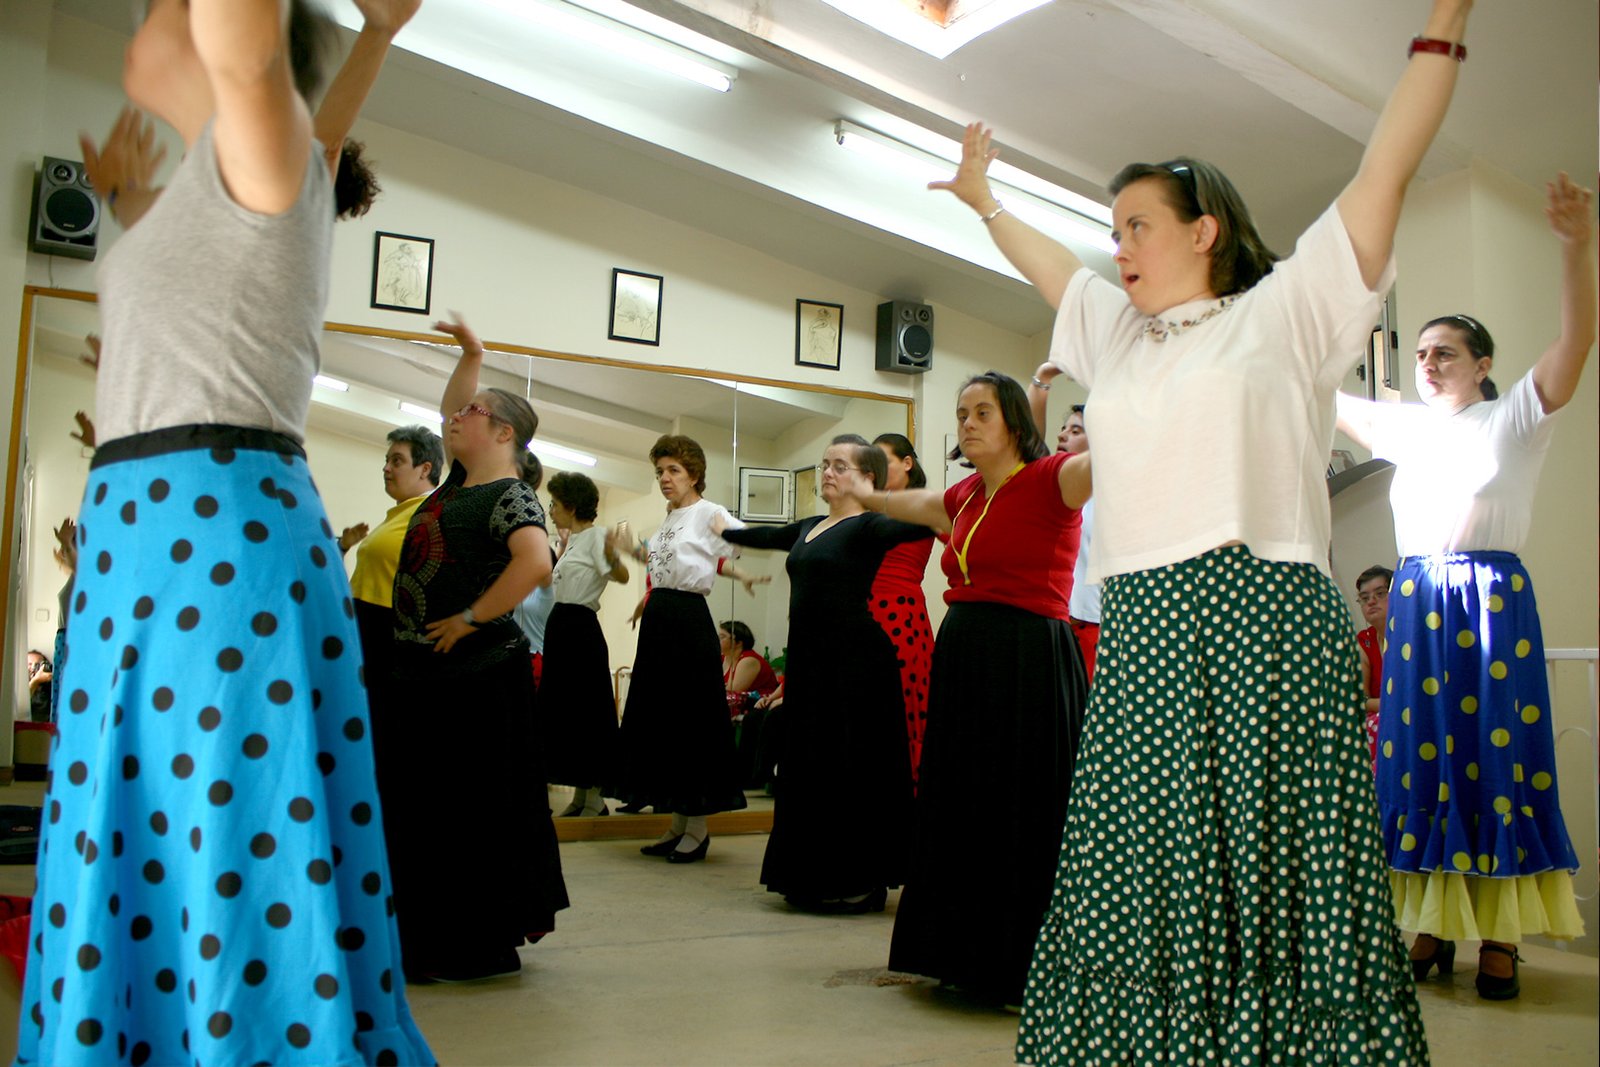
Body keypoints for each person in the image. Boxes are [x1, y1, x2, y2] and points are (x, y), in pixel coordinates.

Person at [937, 3, 1477, 1057]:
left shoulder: (1286, 312)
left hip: (1262, 613)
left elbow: (1386, 169)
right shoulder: (1116, 335)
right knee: (1140, 861)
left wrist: (1444, 22)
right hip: (1145, 623)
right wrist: (984, 199)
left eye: (1138, 223)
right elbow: (1050, 268)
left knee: (1279, 861)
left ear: (1204, 230)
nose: (1118, 246)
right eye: (1113, 230)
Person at [18, 3, 433, 1063]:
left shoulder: (264, 142)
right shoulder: (215, 181)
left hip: (209, 541)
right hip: (145, 540)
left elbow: (273, 84)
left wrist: (368, 38)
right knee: (148, 818)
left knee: (227, 827)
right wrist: (378, 36)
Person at [1336, 172, 1593, 1001]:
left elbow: (1576, 340)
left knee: (1494, 756)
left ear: (1483, 365)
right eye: (1419, 353)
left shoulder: (1512, 417)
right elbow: (1316, 388)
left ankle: (1500, 936)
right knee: (1420, 758)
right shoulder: (1404, 428)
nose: (1427, 362)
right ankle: (1430, 921)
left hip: (1489, 602)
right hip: (1417, 603)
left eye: (1444, 351)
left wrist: (1576, 247)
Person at [851, 374, 1090, 1002]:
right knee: (962, 805)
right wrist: (869, 495)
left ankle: (1018, 966)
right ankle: (956, 954)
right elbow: (916, 505)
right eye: (962, 414)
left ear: (1015, 421)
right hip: (966, 658)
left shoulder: (1053, 478)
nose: (968, 423)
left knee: (1020, 807)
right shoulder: (965, 495)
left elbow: (1111, 462)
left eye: (983, 412)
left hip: (1028, 659)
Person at [384, 315, 569, 981]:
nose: (456, 419)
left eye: (473, 413)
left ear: (504, 432)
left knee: (467, 813)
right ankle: (432, 935)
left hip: (479, 677)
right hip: (432, 673)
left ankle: (470, 944)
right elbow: (449, 407)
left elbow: (536, 562)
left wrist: (470, 616)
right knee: (431, 811)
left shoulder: (510, 495)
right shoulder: (456, 486)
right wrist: (472, 354)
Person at [720, 436, 934, 911]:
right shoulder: (809, 526)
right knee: (810, 765)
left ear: (868, 478)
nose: (828, 473)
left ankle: (862, 880)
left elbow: (930, 518)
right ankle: (810, 875)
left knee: (851, 766)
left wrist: (882, 498)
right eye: (825, 464)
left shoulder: (873, 525)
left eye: (840, 466)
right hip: (812, 664)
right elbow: (761, 536)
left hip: (856, 662)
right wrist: (722, 527)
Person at [80, 0, 419, 227]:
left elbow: (325, 144)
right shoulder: (202, 204)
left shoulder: (267, 201)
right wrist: (117, 192)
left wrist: (380, 31)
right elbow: (142, 213)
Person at [612, 435, 762, 860]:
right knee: (662, 722)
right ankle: (677, 823)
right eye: (660, 471)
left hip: (687, 620)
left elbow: (737, 543)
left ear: (694, 474)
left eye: (673, 470)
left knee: (690, 721)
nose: (665, 478)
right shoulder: (669, 519)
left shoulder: (708, 512)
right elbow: (666, 564)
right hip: (660, 619)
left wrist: (742, 572)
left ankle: (697, 827)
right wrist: (631, 548)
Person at [340, 424, 443, 780]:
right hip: (367, 638)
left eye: (396, 460)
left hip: (389, 644)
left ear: (425, 468)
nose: (386, 468)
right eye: (386, 460)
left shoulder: (430, 517)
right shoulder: (401, 514)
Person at [540, 470, 629, 818]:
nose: (550, 510)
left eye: (555, 504)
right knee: (566, 713)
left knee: (585, 712)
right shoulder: (573, 541)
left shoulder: (595, 537)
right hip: (562, 629)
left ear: (572, 506)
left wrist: (614, 554)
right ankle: (581, 795)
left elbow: (620, 575)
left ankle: (593, 797)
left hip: (578, 630)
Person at [869, 433, 936, 781]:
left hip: (901, 616)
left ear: (907, 463)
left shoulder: (924, 505)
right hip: (862, 613)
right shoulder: (867, 508)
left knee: (904, 705)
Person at [1028, 391, 1105, 680]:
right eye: (1063, 429)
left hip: (1091, 623)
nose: (1062, 435)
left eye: (1075, 431)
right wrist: (1042, 383)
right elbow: (1029, 443)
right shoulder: (1051, 488)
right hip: (1048, 622)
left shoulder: (1108, 496)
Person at [1353, 563, 1393, 761]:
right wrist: (1394, 705)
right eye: (1364, 598)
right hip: (1380, 722)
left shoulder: (1415, 639)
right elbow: (1361, 699)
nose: (1371, 602)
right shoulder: (1364, 642)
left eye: (1380, 593)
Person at [719, 619, 779, 713]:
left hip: (760, 705)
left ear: (738, 642)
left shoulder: (749, 660)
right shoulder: (724, 657)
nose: (717, 640)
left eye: (722, 637)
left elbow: (733, 690)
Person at [24, 651, 52, 724]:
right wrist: (35, 681)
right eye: (29, 664)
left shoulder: (51, 688)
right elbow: (19, 706)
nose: (33, 668)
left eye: (37, 665)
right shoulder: (16, 688)